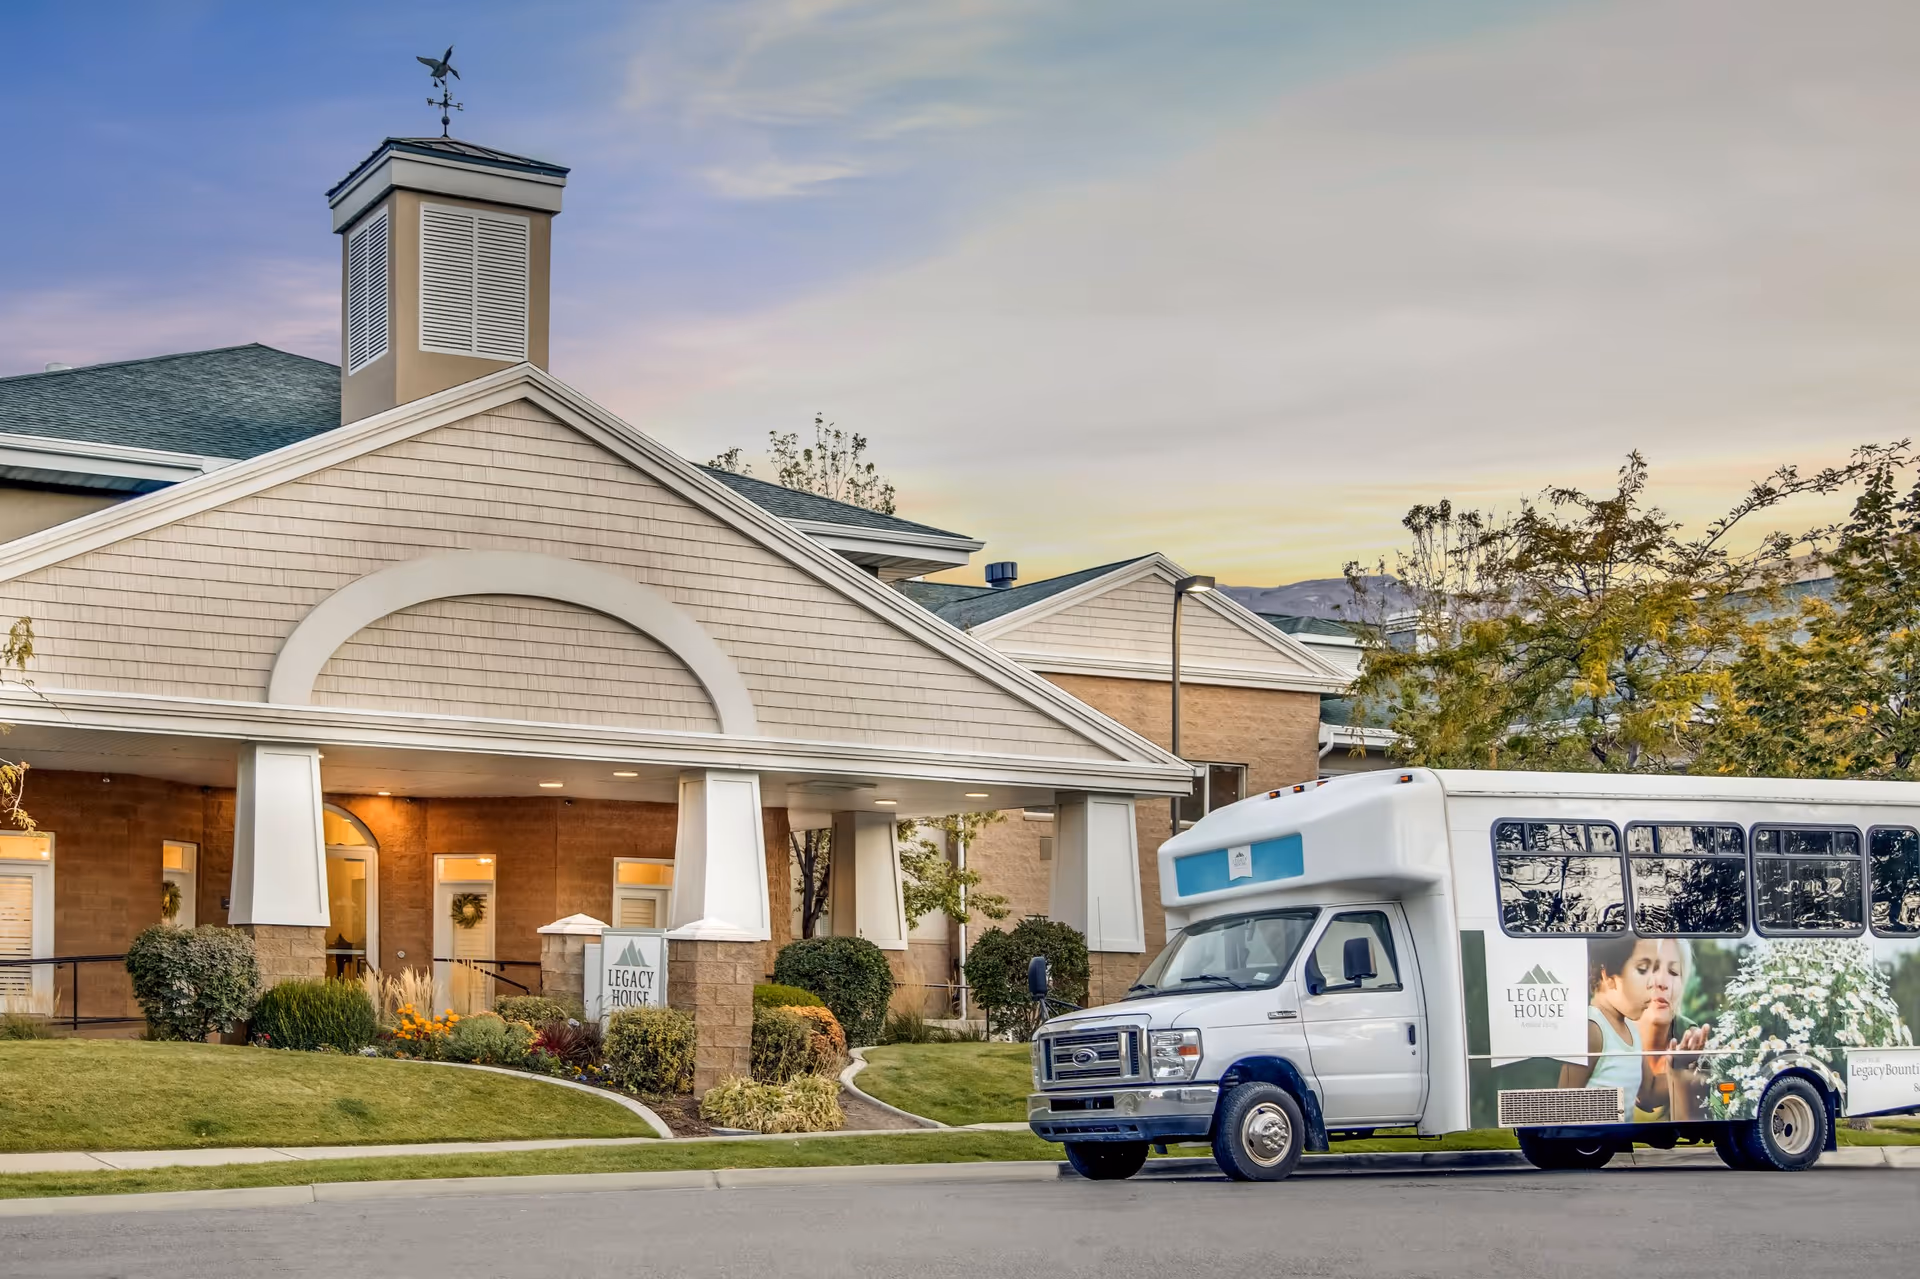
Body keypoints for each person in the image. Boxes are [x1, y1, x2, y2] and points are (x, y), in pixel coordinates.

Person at [1558, 937, 1676, 1112]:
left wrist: (1689, 1069)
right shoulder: (1592, 1030)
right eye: (1643, 970)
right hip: (1593, 1139)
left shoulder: (1630, 1028)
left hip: (1617, 1139)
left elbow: (1649, 1093)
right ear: (1608, 976)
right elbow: (1563, 1103)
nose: (1653, 984)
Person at [1634, 938, 1712, 1121]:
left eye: (1673, 972)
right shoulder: (1608, 1033)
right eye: (1651, 968)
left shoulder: (1693, 1042)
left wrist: (1682, 1075)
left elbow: (1691, 1132)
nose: (1662, 982)